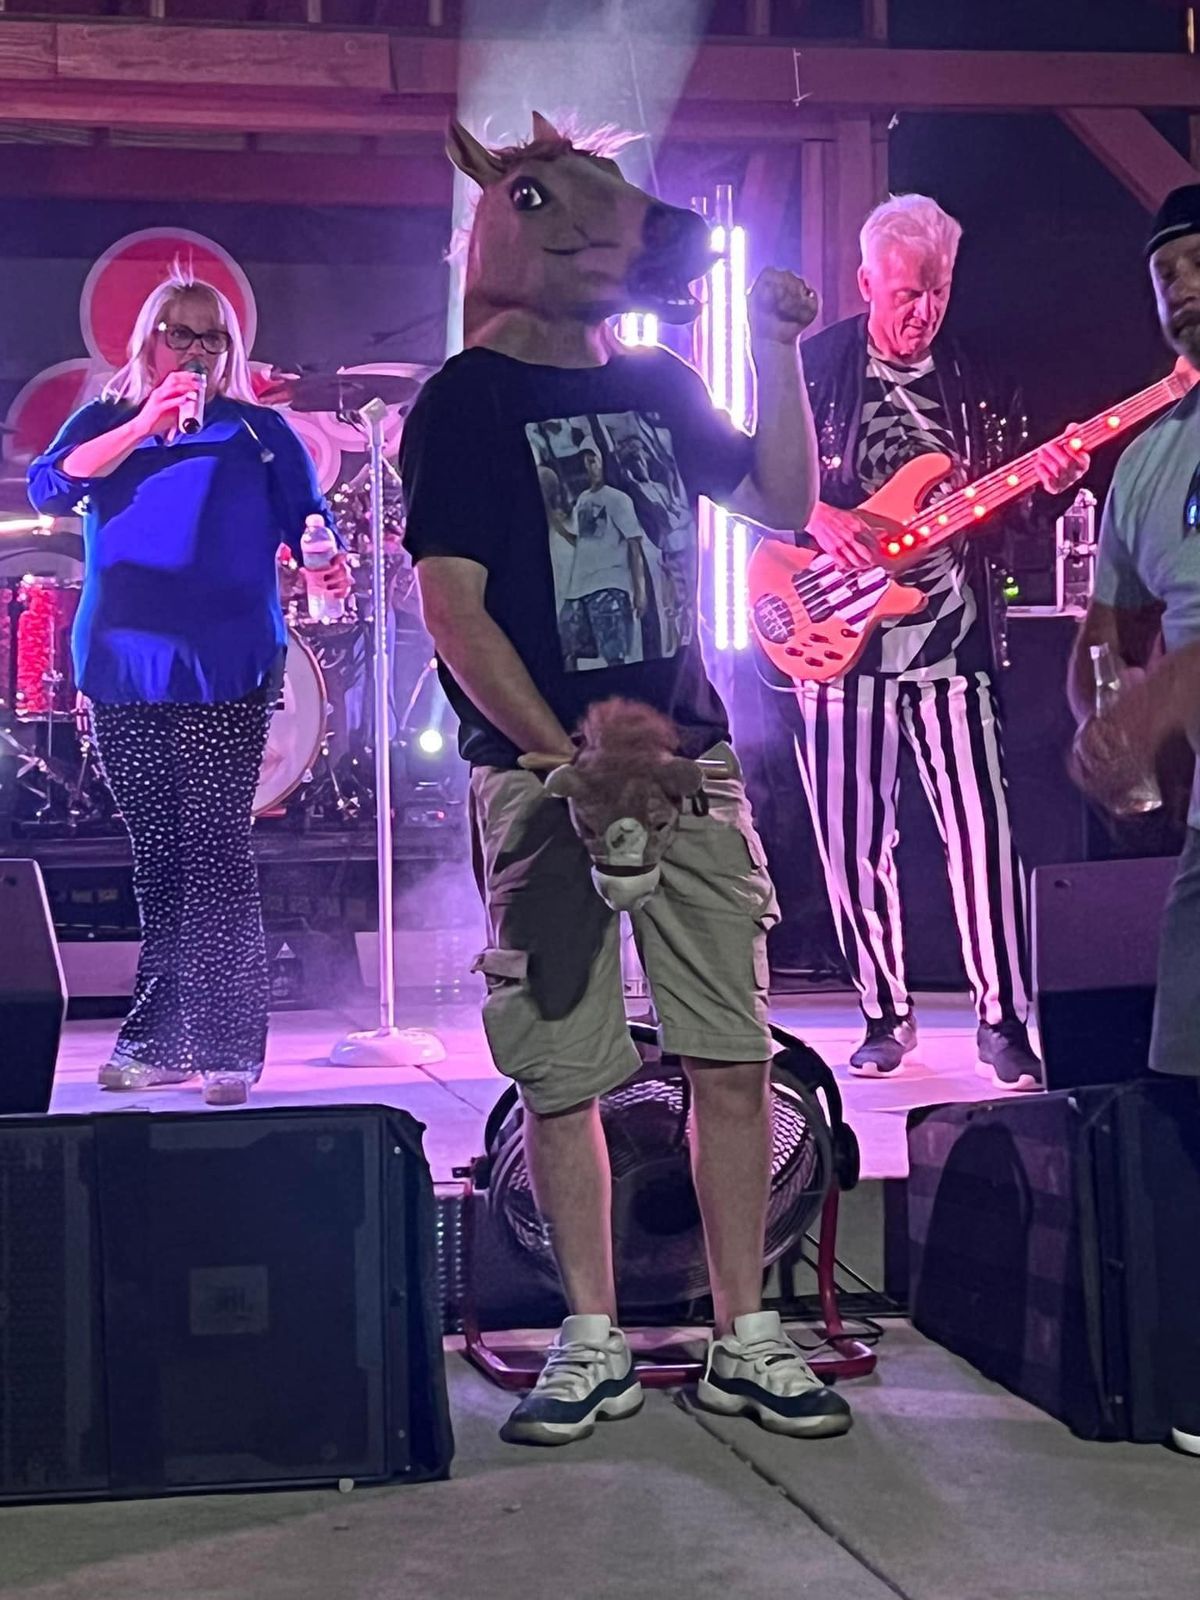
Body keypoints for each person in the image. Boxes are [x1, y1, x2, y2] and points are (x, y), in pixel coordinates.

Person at [402, 112, 850, 1446]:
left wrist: (775, 352)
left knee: (730, 1053)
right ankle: (589, 1336)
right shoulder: (465, 401)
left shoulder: (657, 382)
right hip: (543, 790)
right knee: (562, 1069)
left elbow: (781, 502)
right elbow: (453, 610)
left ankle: (746, 1335)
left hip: (686, 773)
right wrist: (567, 764)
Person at [27, 268, 350, 1106]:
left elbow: (310, 521)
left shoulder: (259, 431)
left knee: (213, 849)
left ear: (231, 349)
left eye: (212, 336)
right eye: (181, 333)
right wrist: (146, 422)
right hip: (124, 663)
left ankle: (228, 1044)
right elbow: (50, 485)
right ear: (149, 343)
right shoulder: (106, 420)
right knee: (159, 856)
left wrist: (322, 554)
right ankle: (161, 1039)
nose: (197, 351)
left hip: (224, 663)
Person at [786, 194, 1088, 1086]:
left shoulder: (980, 375)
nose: (924, 312)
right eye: (907, 293)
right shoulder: (815, 368)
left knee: (984, 836)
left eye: (939, 292)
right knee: (852, 841)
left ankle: (1004, 1020)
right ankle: (884, 1013)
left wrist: (1050, 487)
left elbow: (1013, 520)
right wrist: (818, 514)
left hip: (953, 644)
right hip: (841, 645)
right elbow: (755, 483)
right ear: (866, 282)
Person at [1068, 189, 1200, 1460]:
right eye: (1169, 274)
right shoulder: (1152, 462)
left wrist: (1157, 702)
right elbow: (1109, 636)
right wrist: (1109, 726)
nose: (1186, 288)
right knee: (1186, 1065)